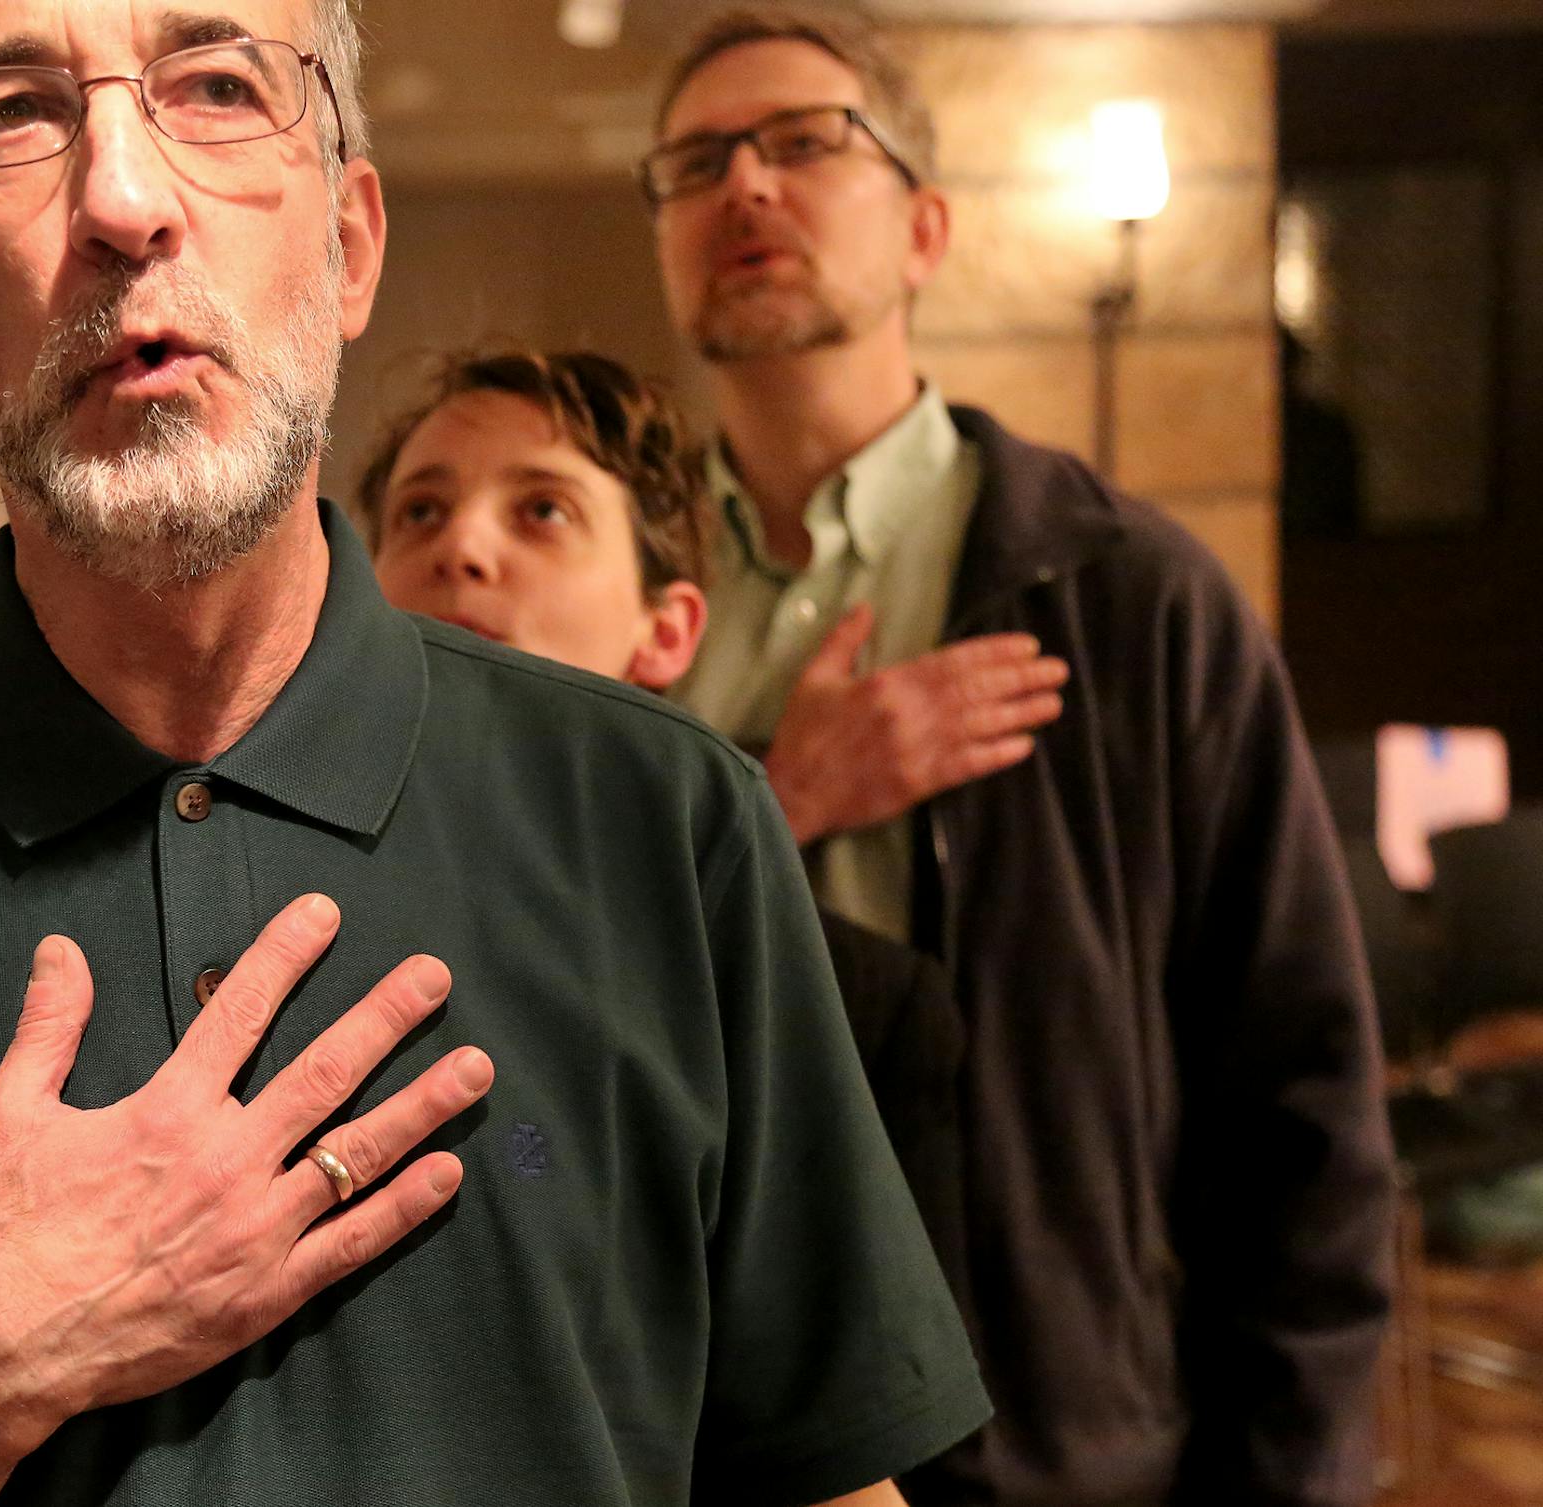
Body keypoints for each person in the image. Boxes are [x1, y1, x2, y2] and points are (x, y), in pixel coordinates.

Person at [0, 4, 989, 1505]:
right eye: (10, 114)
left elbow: (817, 1469)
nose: (122, 201)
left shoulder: (669, 822)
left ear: (352, 243)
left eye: (220, 86)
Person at [641, 8, 1396, 1506]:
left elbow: (1300, 1104)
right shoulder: (596, 594)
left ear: (925, 230)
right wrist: (772, 793)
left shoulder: (1127, 595)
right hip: (694, 1433)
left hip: (1056, 1431)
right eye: (696, 162)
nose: (747, 188)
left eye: (805, 143)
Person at [358, 345, 968, 1309]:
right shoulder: (284, 933)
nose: (460, 548)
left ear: (669, 631)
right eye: (419, 510)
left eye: (543, 510)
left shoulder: (849, 1014)